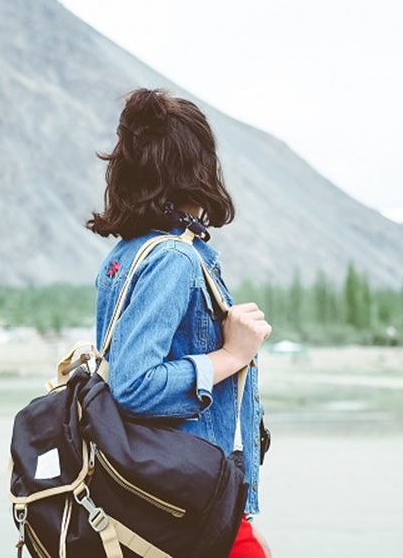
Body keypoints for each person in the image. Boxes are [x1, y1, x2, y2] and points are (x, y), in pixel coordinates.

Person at [87, 88, 273, 557]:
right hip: (188, 498)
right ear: (196, 170)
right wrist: (231, 355)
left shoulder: (123, 257)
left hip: (153, 502)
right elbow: (133, 385)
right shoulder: (174, 259)